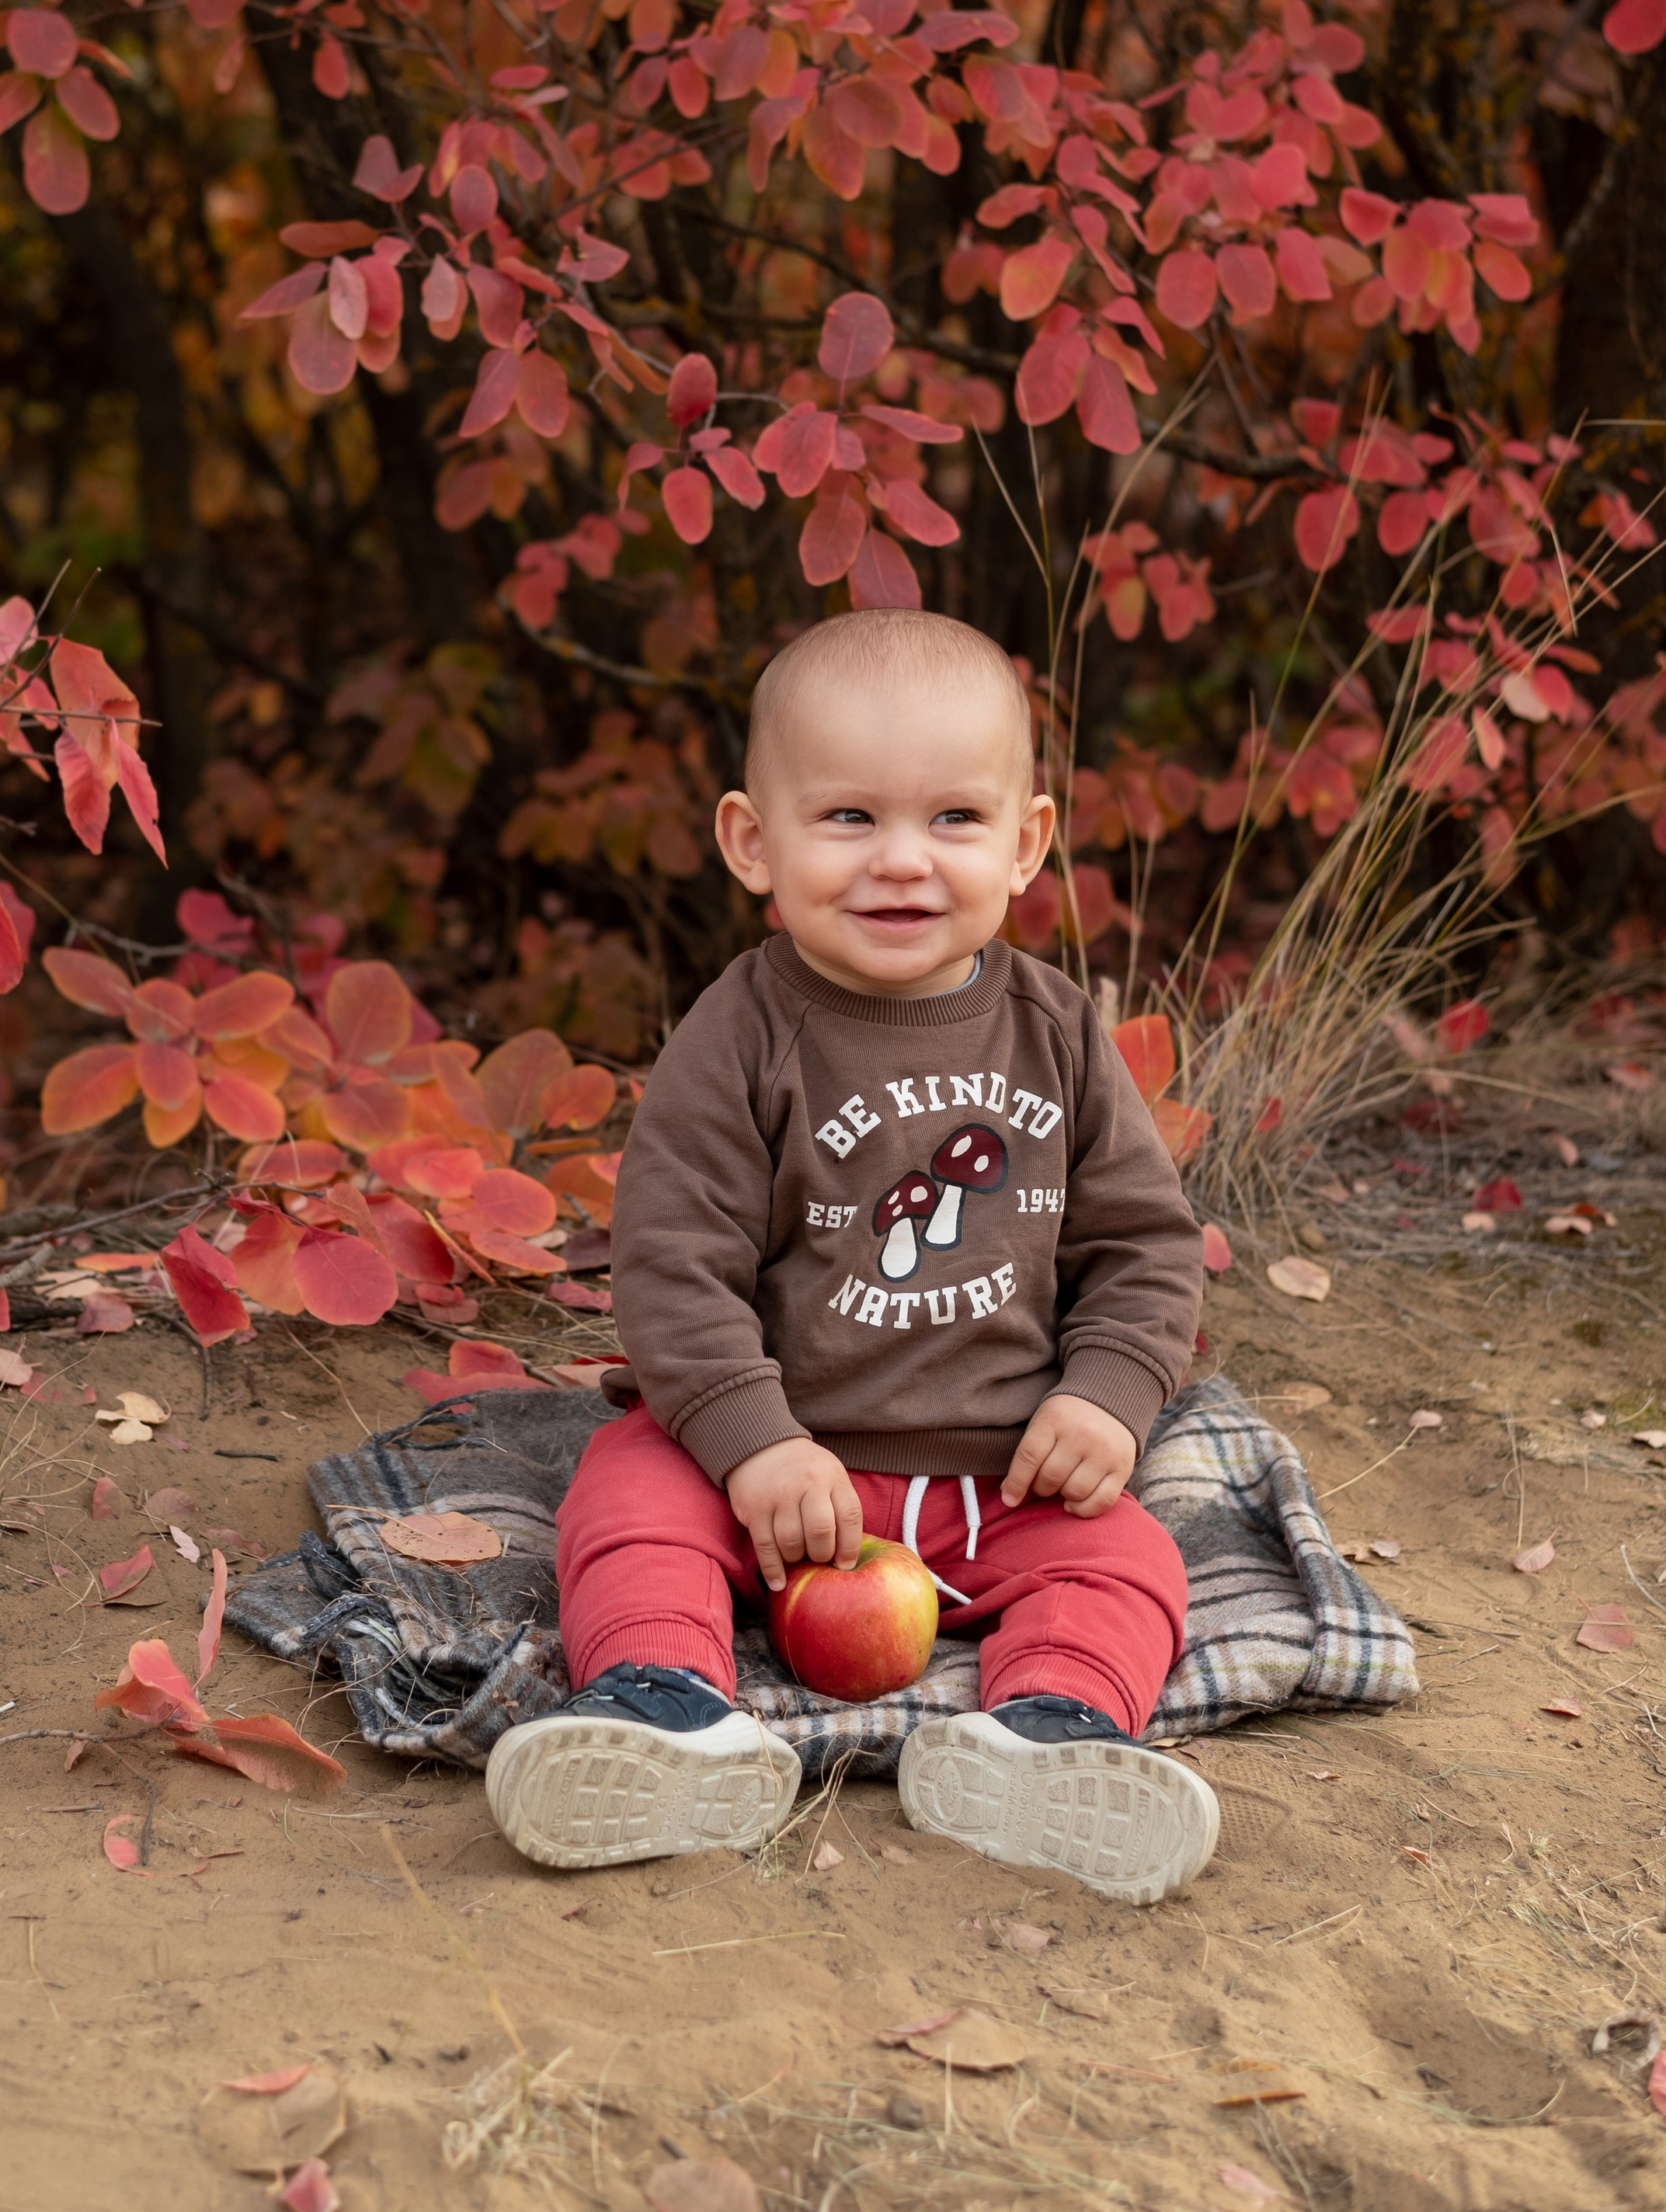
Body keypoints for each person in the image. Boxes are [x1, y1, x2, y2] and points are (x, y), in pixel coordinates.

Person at [485, 610, 1217, 1903]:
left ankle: (1051, 1738)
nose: (903, 861)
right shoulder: (743, 1033)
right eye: (847, 818)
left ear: (1027, 842)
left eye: (954, 818)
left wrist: (1108, 1395)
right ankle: (662, 1708)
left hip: (1001, 1473)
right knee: (627, 1496)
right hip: (771, 1464)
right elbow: (673, 1262)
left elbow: (1144, 1245)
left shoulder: (1054, 1031)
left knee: (1128, 1561)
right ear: (752, 841)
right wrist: (751, 1440)